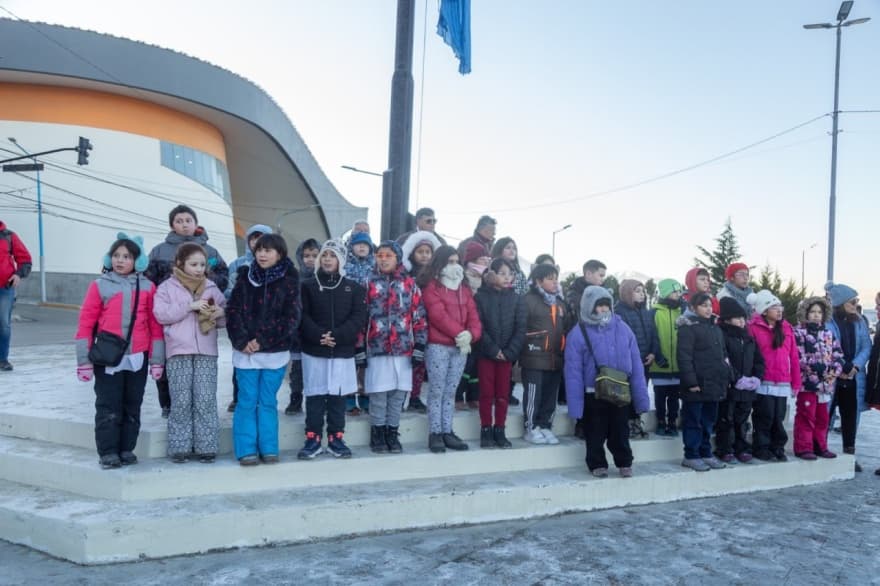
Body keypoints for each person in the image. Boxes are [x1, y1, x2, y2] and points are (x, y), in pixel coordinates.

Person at [75, 233, 164, 469]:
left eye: (126, 256)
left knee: (132, 405)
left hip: (138, 357)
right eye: (116, 255)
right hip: (108, 357)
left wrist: (157, 360)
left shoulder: (148, 287)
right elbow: (85, 324)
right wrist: (83, 361)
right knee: (108, 405)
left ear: (138, 261)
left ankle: (126, 448)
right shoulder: (100, 285)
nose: (120, 260)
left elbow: (155, 327)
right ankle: (108, 451)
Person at [145, 204, 228, 418]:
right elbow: (149, 279)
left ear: (195, 223)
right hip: (172, 315)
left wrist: (204, 286)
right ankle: (167, 404)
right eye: (179, 221)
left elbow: (222, 275)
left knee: (202, 374)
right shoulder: (160, 250)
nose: (184, 225)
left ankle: (198, 413)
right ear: (172, 225)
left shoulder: (210, 251)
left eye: (188, 220)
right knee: (167, 361)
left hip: (202, 320)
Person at [226, 234, 299, 466]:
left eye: (268, 250)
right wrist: (242, 341)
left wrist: (262, 341)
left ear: (280, 254)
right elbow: (233, 311)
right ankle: (246, 449)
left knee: (267, 401)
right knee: (247, 400)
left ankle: (269, 448)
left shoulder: (290, 280)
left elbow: (291, 318)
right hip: (245, 353)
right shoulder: (245, 277)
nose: (262, 254)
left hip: (274, 353)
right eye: (259, 250)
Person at [564, 286, 649, 478]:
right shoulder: (578, 333)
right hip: (593, 392)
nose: (603, 310)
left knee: (620, 430)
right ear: (589, 306)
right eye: (599, 306)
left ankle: (624, 462)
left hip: (620, 390)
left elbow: (636, 364)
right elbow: (573, 372)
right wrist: (575, 408)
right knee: (595, 430)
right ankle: (597, 463)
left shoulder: (623, 329)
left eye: (606, 305)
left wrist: (641, 398)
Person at [153, 243, 226, 464]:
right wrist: (189, 306)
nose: (199, 269)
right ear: (180, 263)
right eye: (193, 264)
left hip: (206, 352)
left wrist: (220, 313)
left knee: (205, 399)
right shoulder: (167, 287)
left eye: (202, 264)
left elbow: (224, 318)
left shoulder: (211, 287)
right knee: (181, 400)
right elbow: (161, 314)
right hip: (178, 351)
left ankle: (207, 447)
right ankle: (179, 447)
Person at [297, 239, 367, 460]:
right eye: (325, 255)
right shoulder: (307, 286)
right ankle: (313, 438)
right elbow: (302, 316)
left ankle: (336, 438)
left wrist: (337, 336)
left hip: (341, 351)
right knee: (315, 396)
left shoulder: (353, 288)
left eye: (333, 256)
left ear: (341, 260)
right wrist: (319, 336)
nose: (328, 259)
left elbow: (358, 317)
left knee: (337, 396)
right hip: (314, 351)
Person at [360, 241, 427, 453]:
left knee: (398, 394)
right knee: (379, 394)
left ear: (397, 258)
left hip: (403, 348)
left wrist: (420, 344)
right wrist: (359, 346)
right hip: (377, 347)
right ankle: (378, 432)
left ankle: (392, 431)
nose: (383, 259)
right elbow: (361, 317)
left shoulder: (409, 284)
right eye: (380, 255)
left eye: (388, 255)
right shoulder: (367, 282)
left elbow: (419, 316)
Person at [419, 245, 481, 453]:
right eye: (450, 262)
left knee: (450, 391)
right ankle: (435, 433)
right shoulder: (432, 287)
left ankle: (447, 431)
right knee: (437, 390)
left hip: (460, 347)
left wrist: (472, 334)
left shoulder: (464, 289)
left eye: (457, 262)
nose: (454, 266)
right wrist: (460, 334)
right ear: (440, 263)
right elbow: (438, 315)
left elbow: (473, 315)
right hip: (439, 346)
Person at [474, 257, 527, 449]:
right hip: (486, 354)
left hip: (507, 356)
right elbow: (478, 326)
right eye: (502, 273)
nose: (507, 277)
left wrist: (510, 351)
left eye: (510, 274)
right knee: (486, 393)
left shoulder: (517, 299)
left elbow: (521, 328)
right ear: (491, 274)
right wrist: (493, 349)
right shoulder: (480, 297)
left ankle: (500, 429)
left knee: (503, 394)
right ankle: (486, 429)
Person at [677, 293, 730, 472]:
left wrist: (726, 374)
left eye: (710, 305)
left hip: (714, 384)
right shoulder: (688, 329)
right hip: (696, 385)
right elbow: (684, 358)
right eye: (703, 305)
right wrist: (691, 382)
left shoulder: (716, 328)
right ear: (693, 308)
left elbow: (723, 355)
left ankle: (706, 453)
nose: (708, 309)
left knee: (708, 422)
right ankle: (691, 455)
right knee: (694, 421)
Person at [747, 290, 801, 462]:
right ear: (764, 311)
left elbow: (794, 356)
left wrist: (796, 381)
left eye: (780, 307)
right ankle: (761, 447)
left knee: (779, 417)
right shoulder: (753, 327)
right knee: (765, 415)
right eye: (774, 307)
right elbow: (751, 355)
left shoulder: (786, 328)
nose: (779, 310)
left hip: (783, 381)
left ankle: (777, 447)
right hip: (764, 380)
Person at [520, 263, 571, 445]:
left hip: (555, 358)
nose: (555, 282)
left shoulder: (560, 302)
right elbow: (520, 327)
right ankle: (531, 427)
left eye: (556, 278)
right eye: (550, 278)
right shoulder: (528, 300)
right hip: (533, 357)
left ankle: (545, 425)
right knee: (534, 394)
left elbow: (566, 326)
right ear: (538, 281)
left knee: (551, 395)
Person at [223, 224, 271, 413]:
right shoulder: (237, 264)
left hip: (265, 326)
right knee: (241, 363)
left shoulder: (276, 265)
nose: (257, 243)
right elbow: (228, 291)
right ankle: (238, 398)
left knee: (264, 366)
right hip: (242, 323)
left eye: (262, 239)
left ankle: (261, 400)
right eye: (253, 238)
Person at [824, 281, 871, 472]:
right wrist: (842, 366)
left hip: (853, 377)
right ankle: (821, 448)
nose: (855, 305)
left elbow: (866, 345)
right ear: (841, 303)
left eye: (856, 301)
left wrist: (856, 366)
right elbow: (826, 346)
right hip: (833, 375)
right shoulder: (827, 322)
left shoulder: (859, 322)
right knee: (826, 413)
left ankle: (849, 455)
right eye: (852, 302)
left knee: (851, 415)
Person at [714, 297, 764, 464]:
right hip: (730, 386)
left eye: (743, 318)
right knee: (726, 418)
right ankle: (725, 448)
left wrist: (756, 377)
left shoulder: (748, 338)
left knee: (742, 419)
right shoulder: (722, 335)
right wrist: (736, 378)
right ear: (727, 319)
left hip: (747, 388)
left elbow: (759, 360)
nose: (742, 321)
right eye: (737, 318)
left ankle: (741, 447)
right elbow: (723, 359)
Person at [793, 296, 843, 460]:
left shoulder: (828, 334)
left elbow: (838, 355)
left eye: (819, 312)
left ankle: (820, 445)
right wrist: (813, 367)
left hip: (825, 384)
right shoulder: (799, 333)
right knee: (806, 415)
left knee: (823, 417)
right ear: (805, 313)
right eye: (812, 312)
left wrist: (833, 370)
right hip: (808, 383)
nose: (816, 315)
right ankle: (803, 447)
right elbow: (797, 356)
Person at [615, 279, 665, 439]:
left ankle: (636, 422)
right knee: (627, 394)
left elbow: (654, 334)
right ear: (627, 293)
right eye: (637, 291)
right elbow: (621, 339)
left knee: (640, 393)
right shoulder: (619, 312)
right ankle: (627, 425)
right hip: (629, 363)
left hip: (645, 361)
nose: (642, 294)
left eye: (643, 291)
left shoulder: (645, 312)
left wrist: (653, 353)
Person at [400, 230, 442, 413]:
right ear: (412, 253)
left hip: (430, 324)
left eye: (428, 252)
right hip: (409, 324)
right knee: (406, 362)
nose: (424, 255)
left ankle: (415, 396)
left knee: (420, 363)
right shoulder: (406, 274)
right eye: (420, 252)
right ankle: (402, 395)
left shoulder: (436, 276)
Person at [285, 237, 321, 416]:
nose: (310, 259)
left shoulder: (323, 279)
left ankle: (316, 400)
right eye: (306, 256)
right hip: (298, 334)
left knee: (316, 370)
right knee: (297, 370)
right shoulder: (294, 279)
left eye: (314, 255)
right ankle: (296, 398)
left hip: (317, 332)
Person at [649, 279, 683, 436]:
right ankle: (661, 421)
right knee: (660, 396)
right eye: (674, 291)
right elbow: (652, 336)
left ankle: (672, 422)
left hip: (677, 364)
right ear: (665, 293)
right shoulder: (654, 312)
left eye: (679, 291)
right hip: (660, 364)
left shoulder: (681, 312)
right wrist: (658, 356)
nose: (678, 294)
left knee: (674, 397)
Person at [0, 219, 32, 372]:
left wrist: (18, 275)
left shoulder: (9, 236)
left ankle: (2, 359)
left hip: (5, 288)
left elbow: (25, 259)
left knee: (3, 324)